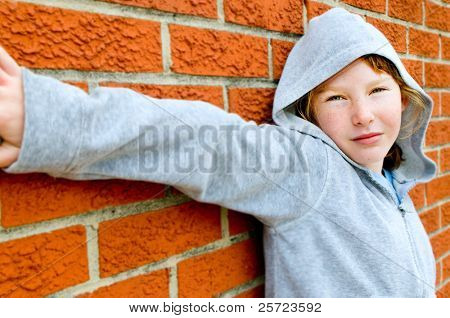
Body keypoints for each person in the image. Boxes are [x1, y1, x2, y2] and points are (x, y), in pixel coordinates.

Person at [0, 7, 437, 297]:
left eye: (377, 90)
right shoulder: (311, 169)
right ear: (310, 114)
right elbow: (205, 142)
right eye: (336, 98)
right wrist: (46, 120)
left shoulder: (394, 183)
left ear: (402, 99)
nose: (362, 115)